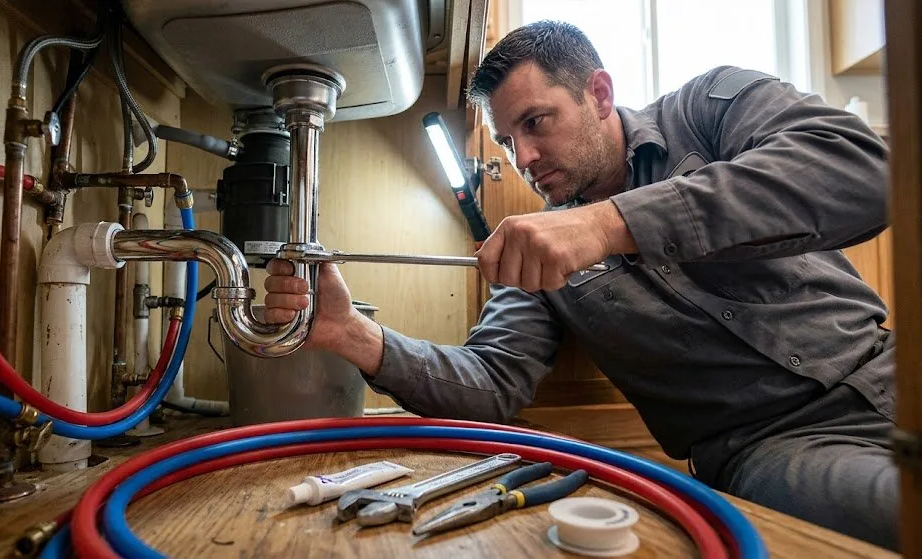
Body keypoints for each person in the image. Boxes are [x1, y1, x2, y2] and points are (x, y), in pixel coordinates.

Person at [263, 20, 899, 550]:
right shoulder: (540, 256)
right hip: (776, 449)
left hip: (896, 375)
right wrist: (352, 334)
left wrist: (610, 224)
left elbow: (866, 170)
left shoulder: (709, 109)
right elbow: (491, 385)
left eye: (537, 122)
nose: (525, 158)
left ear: (599, 93)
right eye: (507, 141)